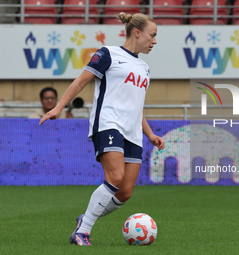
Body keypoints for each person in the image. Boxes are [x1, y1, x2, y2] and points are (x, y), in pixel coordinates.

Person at [39, 12, 165, 246]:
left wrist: (150, 134)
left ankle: (84, 219)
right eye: (153, 35)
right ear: (137, 33)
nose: (155, 41)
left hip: (134, 132)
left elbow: (136, 106)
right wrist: (58, 107)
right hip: (108, 124)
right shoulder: (108, 54)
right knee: (115, 177)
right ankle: (82, 232)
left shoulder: (145, 68)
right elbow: (80, 81)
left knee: (124, 192)